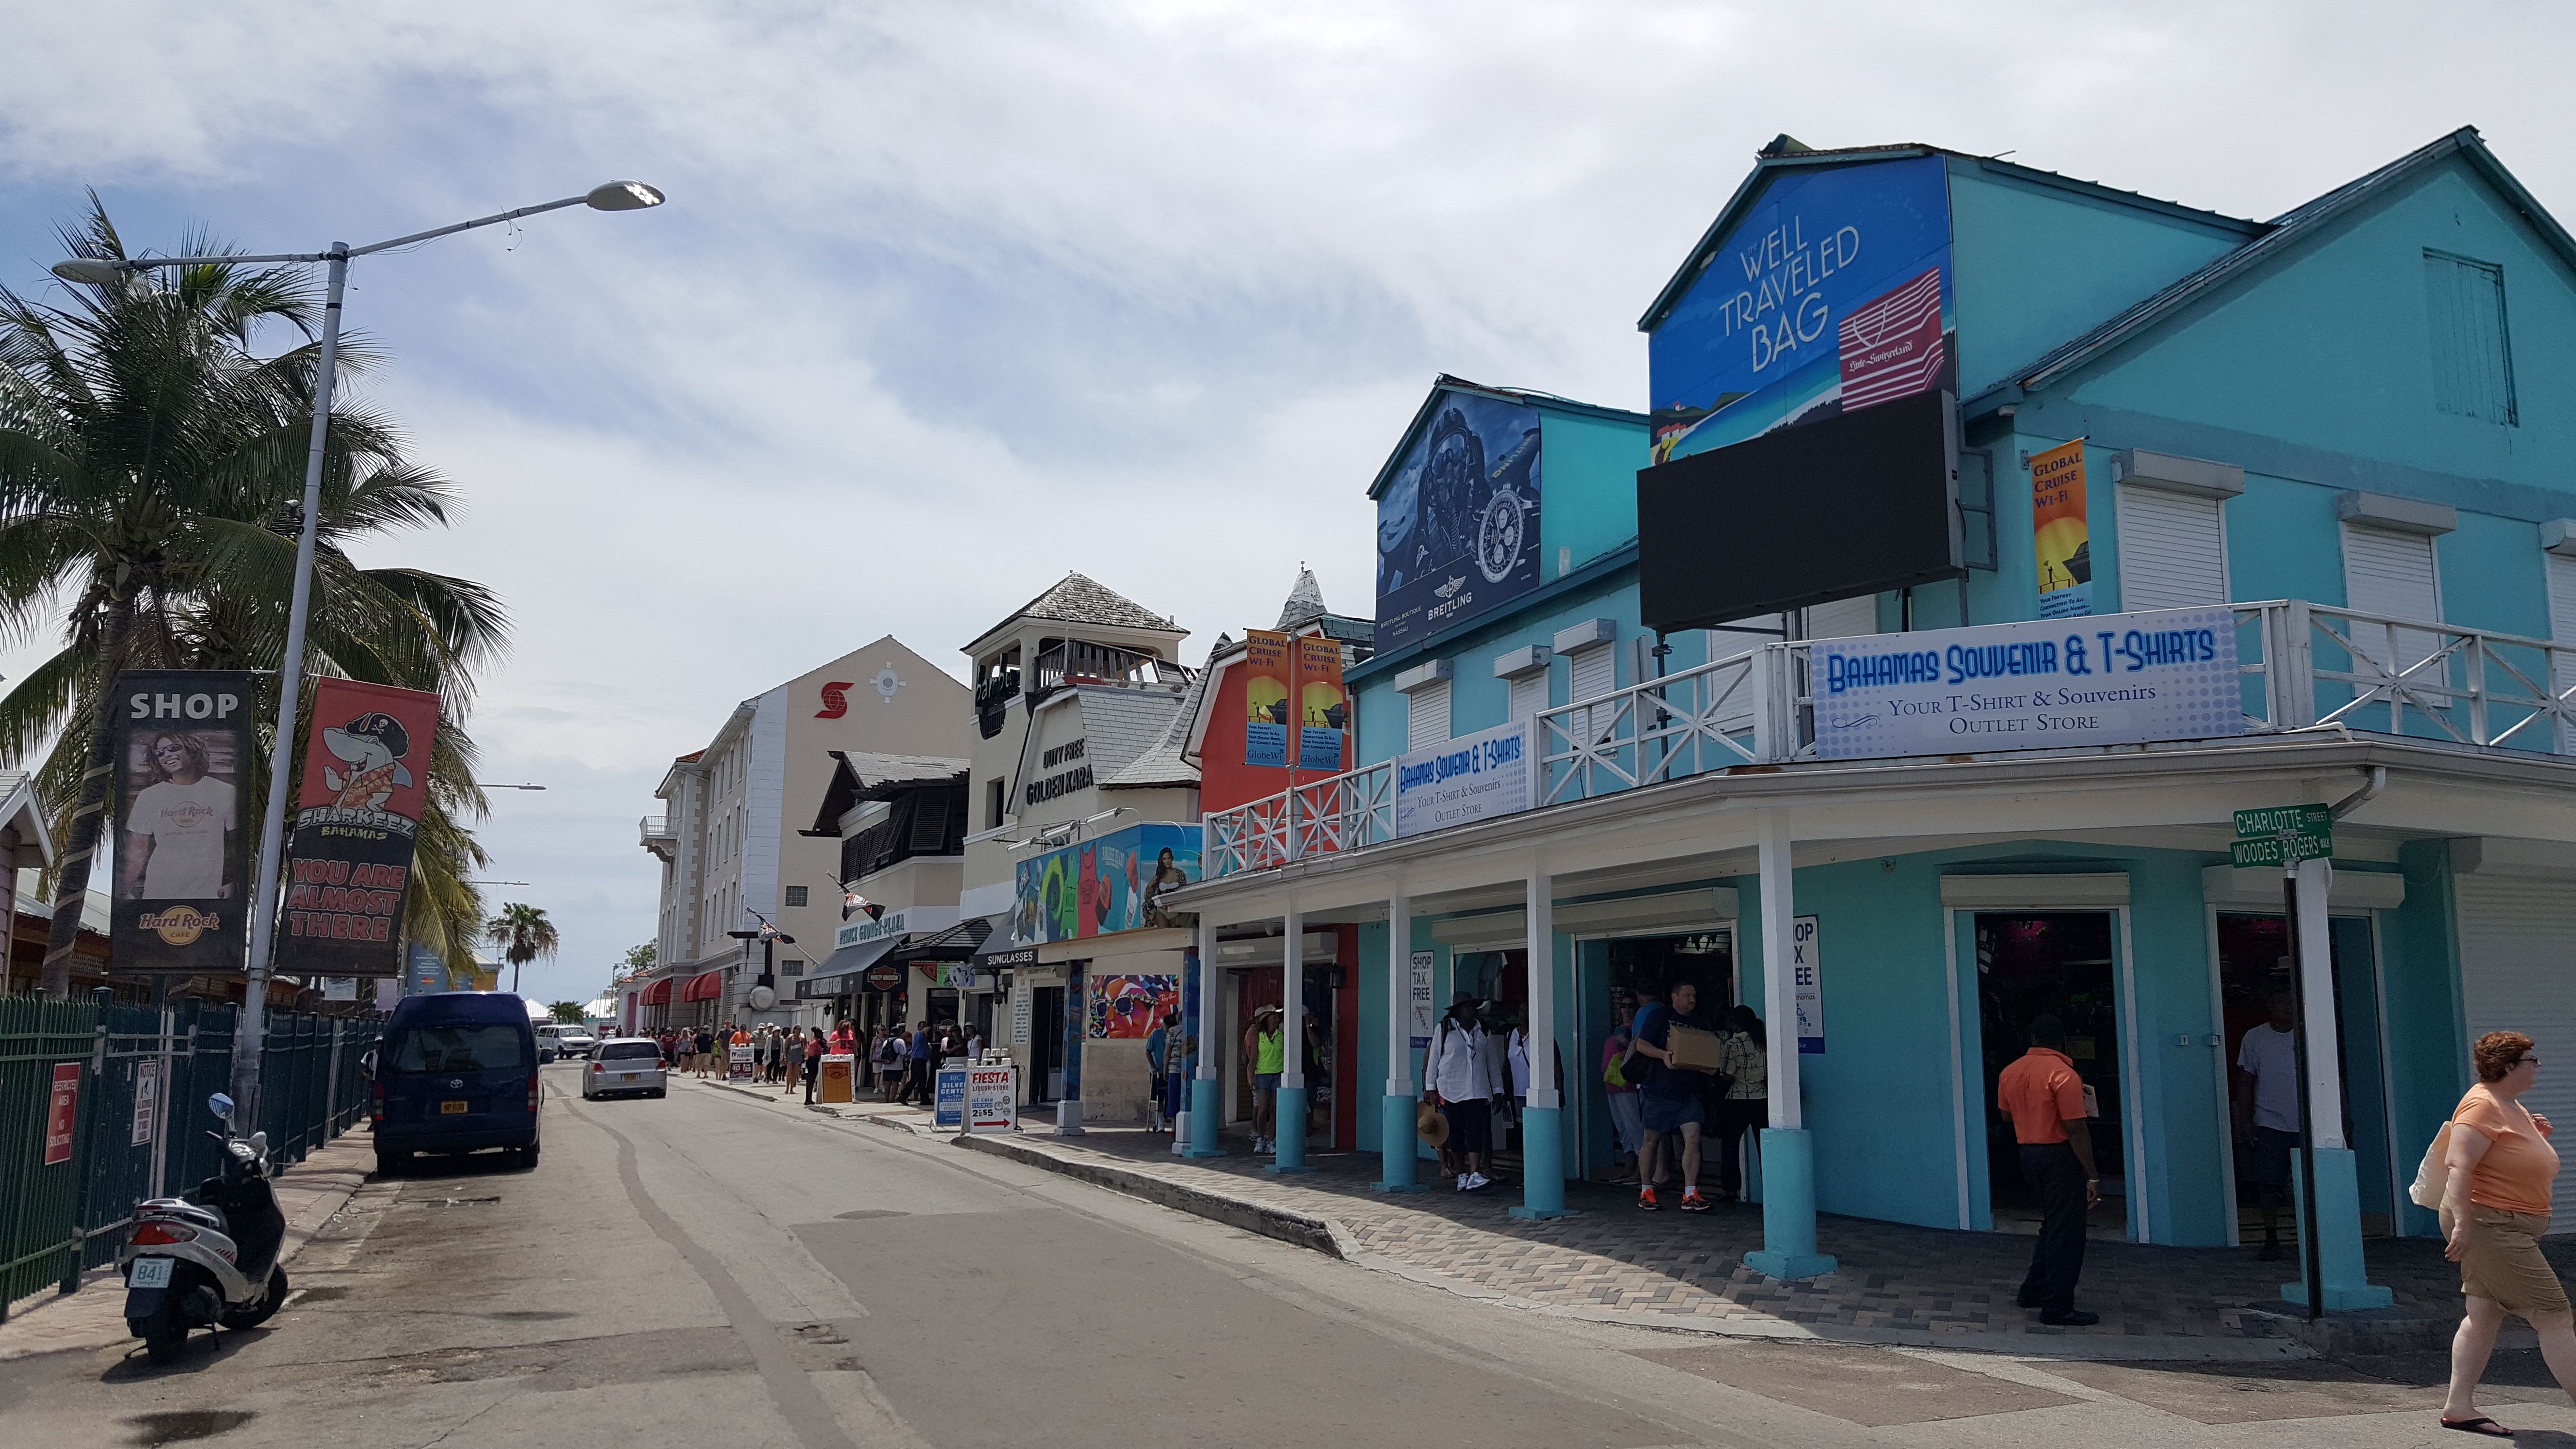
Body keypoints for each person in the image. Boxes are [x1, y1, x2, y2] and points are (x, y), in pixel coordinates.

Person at [2438, 1030, 2575, 1436]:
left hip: (2504, 1224)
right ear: (2509, 1066)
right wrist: (2463, 1224)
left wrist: (2536, 1139)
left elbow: (2506, 1157)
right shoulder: (2481, 1104)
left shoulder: (2508, 1105)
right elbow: (2459, 1166)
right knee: (2555, 1316)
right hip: (2490, 1225)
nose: (2538, 1066)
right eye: (2531, 1060)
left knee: (2483, 1314)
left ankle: (2459, 1407)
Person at [1998, 1014, 2101, 1326]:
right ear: (2062, 1042)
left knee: (2052, 1226)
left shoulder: (2010, 1071)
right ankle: (2057, 1306)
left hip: (2028, 1153)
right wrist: (2093, 1174)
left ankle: (2033, 1290)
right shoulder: (2063, 1074)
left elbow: (2005, 1117)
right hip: (2059, 1156)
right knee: (2067, 1233)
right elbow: (2076, 1127)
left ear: (2032, 1038)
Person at [1629, 980, 1713, 1212]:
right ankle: (1646, 1190)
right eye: (1687, 995)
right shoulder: (1660, 1017)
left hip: (1689, 1093)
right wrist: (1663, 1055)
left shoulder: (1700, 1023)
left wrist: (1708, 1066)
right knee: (1651, 1141)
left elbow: (1707, 1052)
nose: (1692, 1000)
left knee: (1693, 1137)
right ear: (1675, 997)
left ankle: (1690, 1194)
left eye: (1694, 995)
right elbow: (1642, 1045)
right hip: (1658, 1091)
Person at [122, 732, 237, 900]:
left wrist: (234, 881)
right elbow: (138, 848)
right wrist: (124, 891)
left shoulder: (225, 792)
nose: (167, 755)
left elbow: (237, 843)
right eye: (160, 753)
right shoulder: (149, 796)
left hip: (209, 897)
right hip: (158, 894)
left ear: (192, 750)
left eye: (173, 748)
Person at [2234, 991, 2303, 1262]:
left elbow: (2330, 1074)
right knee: (2267, 1182)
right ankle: (2271, 1236)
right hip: (2269, 1121)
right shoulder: (2255, 1038)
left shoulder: (2307, 1035)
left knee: (2308, 1183)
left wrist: (2341, 1113)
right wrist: (2244, 1119)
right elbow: (2246, 1080)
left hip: (2306, 1122)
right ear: (2271, 1008)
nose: (2286, 1009)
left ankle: (2311, 1238)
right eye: (2281, 1003)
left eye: (2290, 1004)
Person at [1422, 995, 1504, 1192]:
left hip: (1477, 1089)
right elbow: (1433, 1061)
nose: (1472, 1011)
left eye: (1474, 1008)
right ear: (1458, 1010)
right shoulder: (1444, 1030)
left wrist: (1498, 1090)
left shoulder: (1482, 1030)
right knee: (1456, 1132)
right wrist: (1430, 1089)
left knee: (1476, 1130)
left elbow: (1491, 1062)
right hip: (1451, 1089)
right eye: (1468, 1007)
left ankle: (1475, 1173)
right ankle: (1461, 1173)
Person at [1713, 1004, 1768, 1205]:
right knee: (1765, 1147)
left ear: (1736, 1024)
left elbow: (1727, 1076)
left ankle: (1730, 1190)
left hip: (1737, 1099)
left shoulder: (1733, 1044)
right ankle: (1771, 1188)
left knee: (1730, 1144)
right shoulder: (1763, 1041)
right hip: (1761, 1098)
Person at [1602, 1004, 1644, 1185]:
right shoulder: (1621, 1029)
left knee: (1634, 1128)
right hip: (1613, 1085)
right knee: (1623, 1129)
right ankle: (1629, 1168)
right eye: (1623, 1007)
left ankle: (1642, 1172)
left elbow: (1640, 1050)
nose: (1626, 1010)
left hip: (1627, 1085)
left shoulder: (1637, 1029)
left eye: (1630, 1006)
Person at [1243, 1006, 1285, 1154]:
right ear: (1266, 1019)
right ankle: (1261, 1138)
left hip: (1278, 1075)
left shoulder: (1282, 1036)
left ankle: (1272, 1140)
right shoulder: (1258, 1036)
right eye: (1273, 1017)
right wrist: (1250, 1076)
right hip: (1262, 1075)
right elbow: (1253, 1058)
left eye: (1277, 1017)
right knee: (1263, 1109)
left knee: (1275, 1110)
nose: (1276, 1019)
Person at [1144, 1014, 1173, 1133]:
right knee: (1159, 1096)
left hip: (1172, 1070)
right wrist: (1154, 1067)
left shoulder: (1174, 1034)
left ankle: (1171, 1119)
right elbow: (1148, 1051)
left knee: (1171, 1095)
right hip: (1159, 1071)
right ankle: (1160, 1122)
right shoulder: (1156, 1034)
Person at [903, 1020, 933, 1106]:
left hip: (920, 1061)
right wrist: (930, 1027)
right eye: (921, 1026)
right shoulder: (919, 1035)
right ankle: (903, 1095)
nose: (923, 1027)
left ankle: (924, 1099)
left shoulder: (923, 1038)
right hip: (918, 1061)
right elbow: (924, 1031)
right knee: (917, 1080)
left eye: (924, 1026)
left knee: (920, 1081)